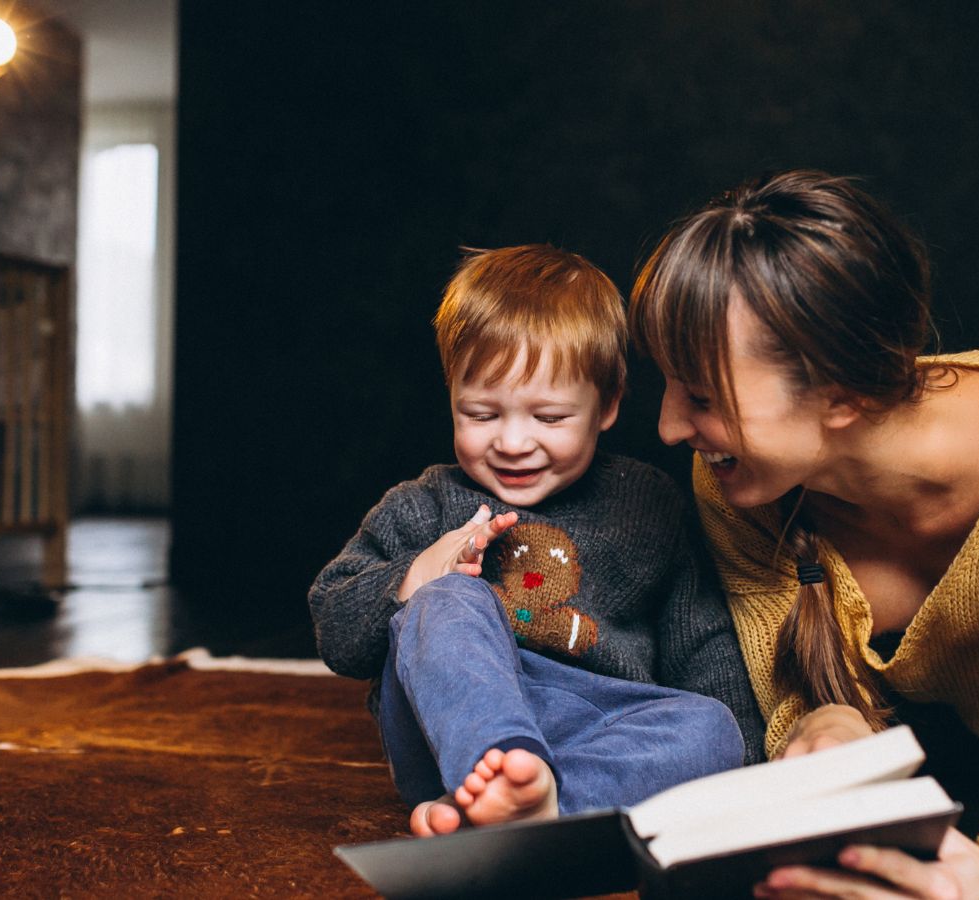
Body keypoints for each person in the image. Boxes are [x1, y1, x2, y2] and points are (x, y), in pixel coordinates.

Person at [628, 171, 979, 900]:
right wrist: (829, 732)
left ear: (844, 395)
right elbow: (799, 689)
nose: (669, 428)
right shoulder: (738, 483)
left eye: (701, 396)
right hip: (930, 768)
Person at [309, 244, 764, 837]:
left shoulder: (649, 504)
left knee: (712, 726)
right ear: (451, 396)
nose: (514, 442)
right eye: (480, 414)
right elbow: (336, 629)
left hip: (599, 726)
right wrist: (413, 577)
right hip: (451, 732)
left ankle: (538, 807)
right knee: (450, 599)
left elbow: (702, 641)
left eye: (548, 418)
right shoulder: (426, 503)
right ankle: (500, 770)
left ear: (608, 405)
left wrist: (746, 764)